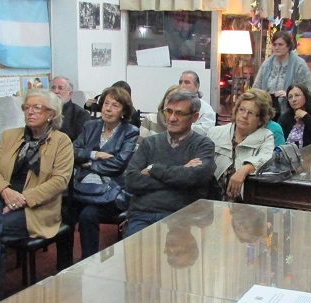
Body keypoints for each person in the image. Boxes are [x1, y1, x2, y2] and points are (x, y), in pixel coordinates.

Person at [0, 89, 73, 296]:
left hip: (36, 207)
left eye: (37, 107)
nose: (30, 112)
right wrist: (6, 192)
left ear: (51, 114)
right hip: (2, 196)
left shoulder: (62, 142)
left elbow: (60, 181)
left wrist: (22, 199)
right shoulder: (9, 136)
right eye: (27, 107)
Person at [62, 86, 139, 265]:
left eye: (115, 105)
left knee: (88, 215)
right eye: (106, 104)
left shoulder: (130, 132)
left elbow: (118, 165)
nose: (108, 109)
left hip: (111, 192)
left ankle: (89, 264)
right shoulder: (90, 126)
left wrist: (87, 164)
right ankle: (63, 265)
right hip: (82, 188)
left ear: (124, 111)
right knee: (64, 212)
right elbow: (72, 151)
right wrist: (94, 155)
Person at [122, 89, 216, 236]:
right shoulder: (149, 143)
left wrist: (154, 169)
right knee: (134, 254)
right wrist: (180, 172)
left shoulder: (203, 145)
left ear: (195, 117)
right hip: (143, 215)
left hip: (182, 217)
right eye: (168, 111)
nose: (171, 118)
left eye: (179, 113)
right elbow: (131, 181)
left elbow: (196, 177)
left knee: (177, 251)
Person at [207, 89, 275, 200]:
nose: (244, 116)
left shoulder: (265, 136)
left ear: (260, 120)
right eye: (242, 110)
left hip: (245, 201)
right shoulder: (214, 133)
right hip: (214, 198)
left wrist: (246, 169)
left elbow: (268, 157)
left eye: (251, 113)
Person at [253, 31, 311, 116]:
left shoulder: (299, 64)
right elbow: (256, 88)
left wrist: (290, 95)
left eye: (280, 44)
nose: (277, 47)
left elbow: (308, 91)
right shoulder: (266, 64)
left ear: (288, 46)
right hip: (268, 112)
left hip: (291, 113)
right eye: (274, 44)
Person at [278, 84, 311, 148]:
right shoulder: (284, 118)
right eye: (290, 97)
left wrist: (306, 117)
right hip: (288, 155)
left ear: (305, 96)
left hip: (310, 155)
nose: (294, 99)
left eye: (297, 95)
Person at [51, 76, 91, 143]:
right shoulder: (44, 111)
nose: (56, 91)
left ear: (70, 94)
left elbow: (80, 144)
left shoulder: (81, 114)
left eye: (60, 88)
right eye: (53, 88)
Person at [178, 70, 216, 135]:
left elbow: (206, 131)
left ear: (197, 87)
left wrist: (181, 128)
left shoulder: (206, 109)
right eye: (180, 82)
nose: (182, 86)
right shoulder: (173, 105)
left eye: (187, 82)